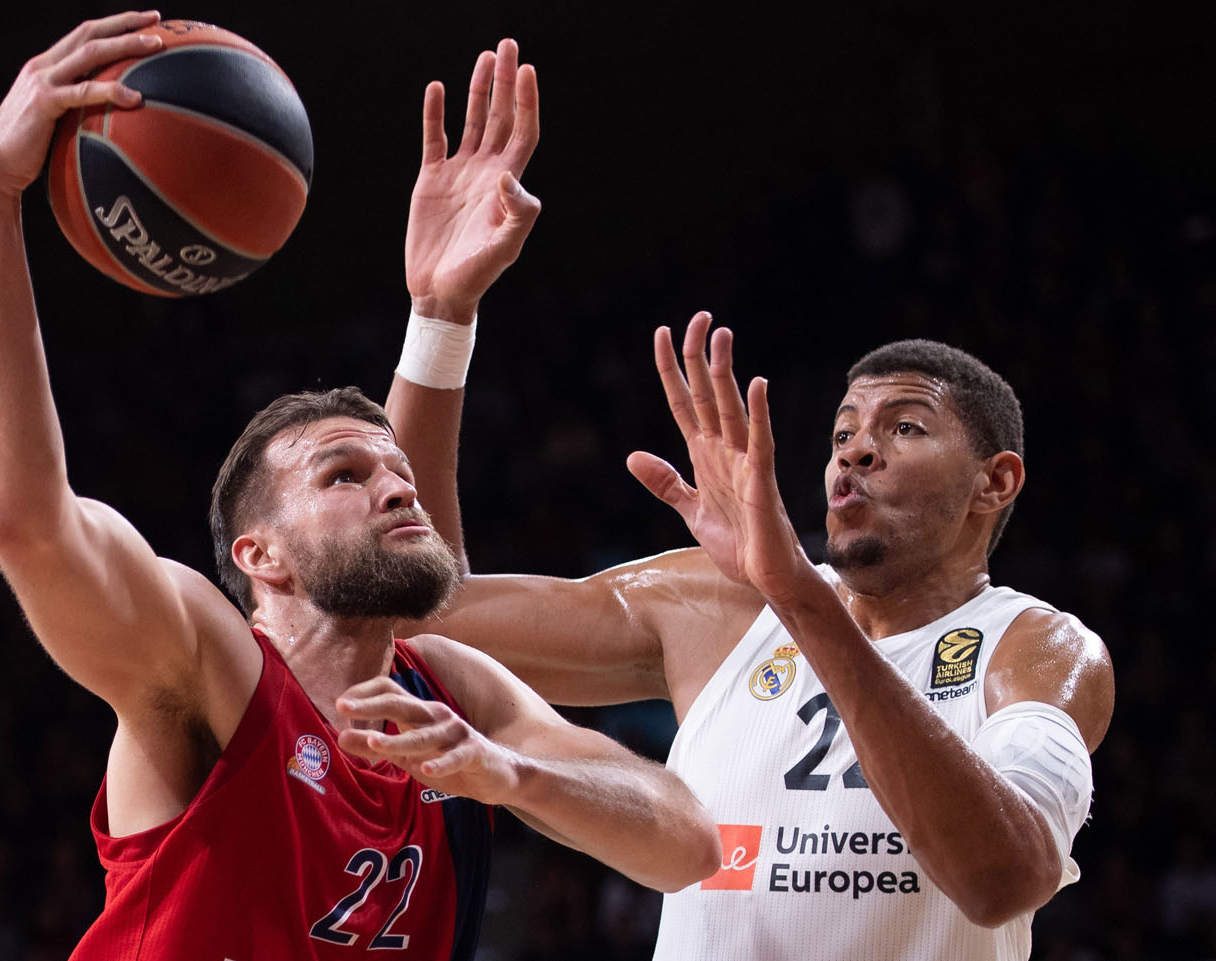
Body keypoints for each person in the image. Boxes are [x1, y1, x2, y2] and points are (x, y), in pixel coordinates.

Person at [0, 12, 721, 959]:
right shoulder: (206, 664)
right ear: (258, 553)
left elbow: (685, 841)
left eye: (399, 472)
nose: (400, 490)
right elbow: (28, 520)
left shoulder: (455, 695)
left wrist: (509, 773)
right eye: (345, 474)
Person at [386, 305, 1115, 960]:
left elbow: (1000, 880)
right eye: (842, 432)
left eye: (904, 427)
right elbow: (419, 614)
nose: (855, 451)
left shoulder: (1036, 649)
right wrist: (442, 319)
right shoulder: (721, 606)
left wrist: (798, 598)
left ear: (995, 481)